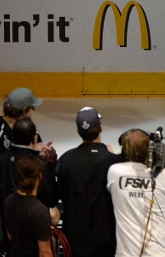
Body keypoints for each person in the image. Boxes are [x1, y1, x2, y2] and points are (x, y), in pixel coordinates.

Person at [56, 107, 121, 257]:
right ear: (101, 128)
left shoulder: (66, 160)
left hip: (75, 239)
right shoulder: (115, 162)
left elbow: (58, 194)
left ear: (78, 131)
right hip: (107, 239)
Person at [0, 87, 47, 224]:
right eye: (33, 108)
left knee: (52, 214)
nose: (33, 112)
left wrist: (42, 153)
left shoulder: (29, 129)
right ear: (25, 110)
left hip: (25, 188)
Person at [107, 129, 165, 257]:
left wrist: (110, 156)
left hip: (127, 253)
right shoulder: (162, 175)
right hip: (160, 252)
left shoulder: (114, 172)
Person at [0, 118, 60, 253]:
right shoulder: (37, 164)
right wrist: (50, 170)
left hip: (10, 231)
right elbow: (51, 199)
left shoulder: (0, 161)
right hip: (35, 230)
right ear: (34, 138)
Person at [3, 154, 53, 257]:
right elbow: (45, 253)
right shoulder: (39, 210)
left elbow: (10, 236)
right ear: (39, 176)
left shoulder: (8, 201)